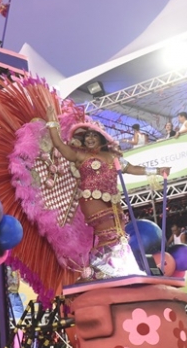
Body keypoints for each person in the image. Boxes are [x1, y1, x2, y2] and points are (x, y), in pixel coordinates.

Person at [43, 114, 170, 278]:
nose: (89, 138)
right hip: (91, 199)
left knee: (120, 234)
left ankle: (115, 265)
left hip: (113, 201)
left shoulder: (113, 157)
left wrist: (158, 171)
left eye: (93, 135)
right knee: (108, 232)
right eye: (87, 136)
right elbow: (59, 145)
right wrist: (52, 123)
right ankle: (101, 263)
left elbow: (133, 168)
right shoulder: (80, 155)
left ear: (102, 139)